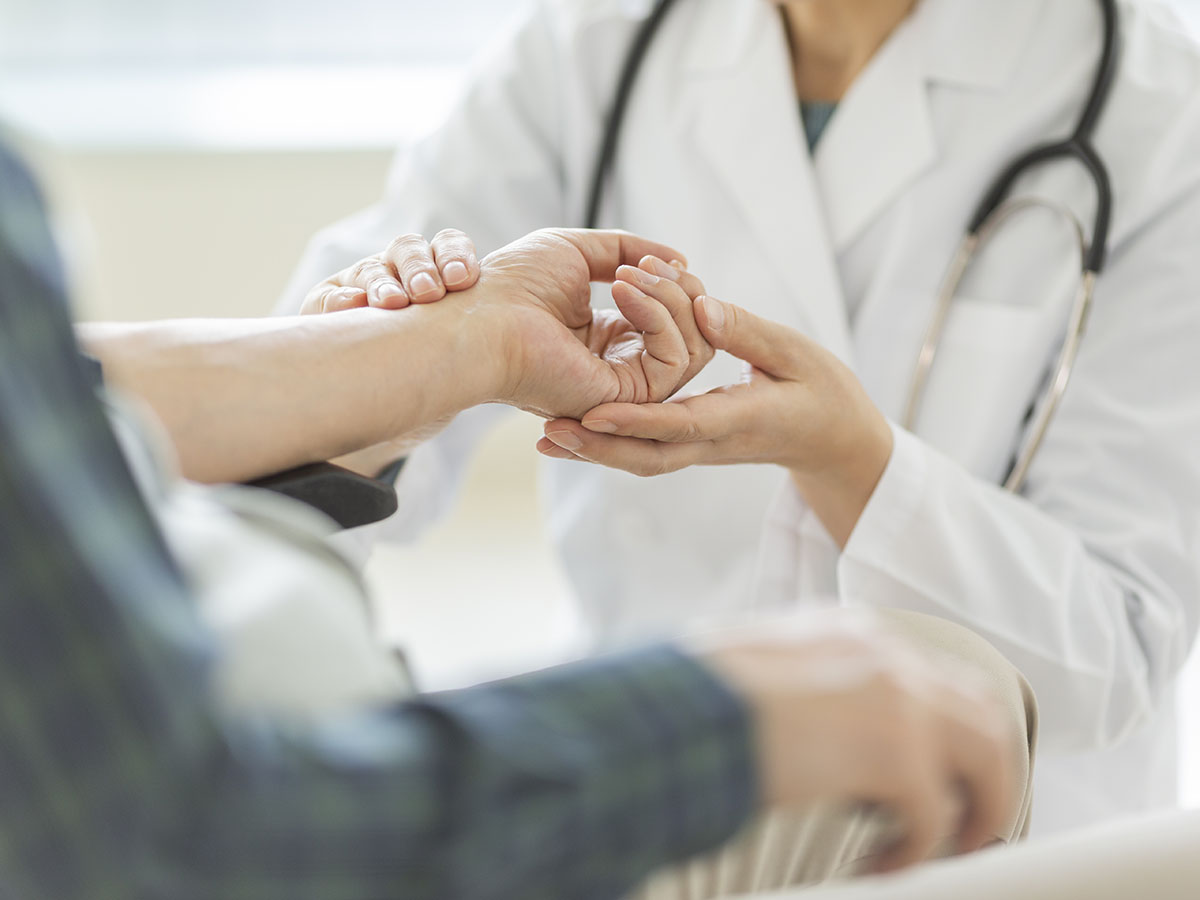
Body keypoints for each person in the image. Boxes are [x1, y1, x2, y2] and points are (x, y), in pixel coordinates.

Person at [278, 0, 1200, 833]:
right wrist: (393, 377)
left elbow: (1116, 643)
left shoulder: (1161, 114)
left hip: (1008, 845)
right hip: (660, 794)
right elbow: (279, 459)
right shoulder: (586, 51)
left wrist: (853, 463)